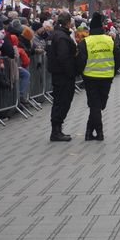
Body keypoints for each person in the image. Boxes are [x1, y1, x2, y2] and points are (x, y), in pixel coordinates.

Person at [76, 12, 120, 141]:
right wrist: (114, 71)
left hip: (90, 77)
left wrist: (81, 73)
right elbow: (118, 57)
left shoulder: (85, 42)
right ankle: (99, 132)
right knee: (98, 105)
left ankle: (89, 132)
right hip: (106, 77)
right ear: (102, 28)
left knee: (95, 105)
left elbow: (81, 61)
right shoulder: (110, 40)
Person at [47, 12, 77, 142]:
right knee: (62, 102)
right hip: (63, 75)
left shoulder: (57, 35)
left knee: (60, 102)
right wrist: (72, 71)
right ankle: (56, 131)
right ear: (67, 22)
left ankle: (57, 130)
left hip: (59, 74)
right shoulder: (62, 37)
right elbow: (63, 57)